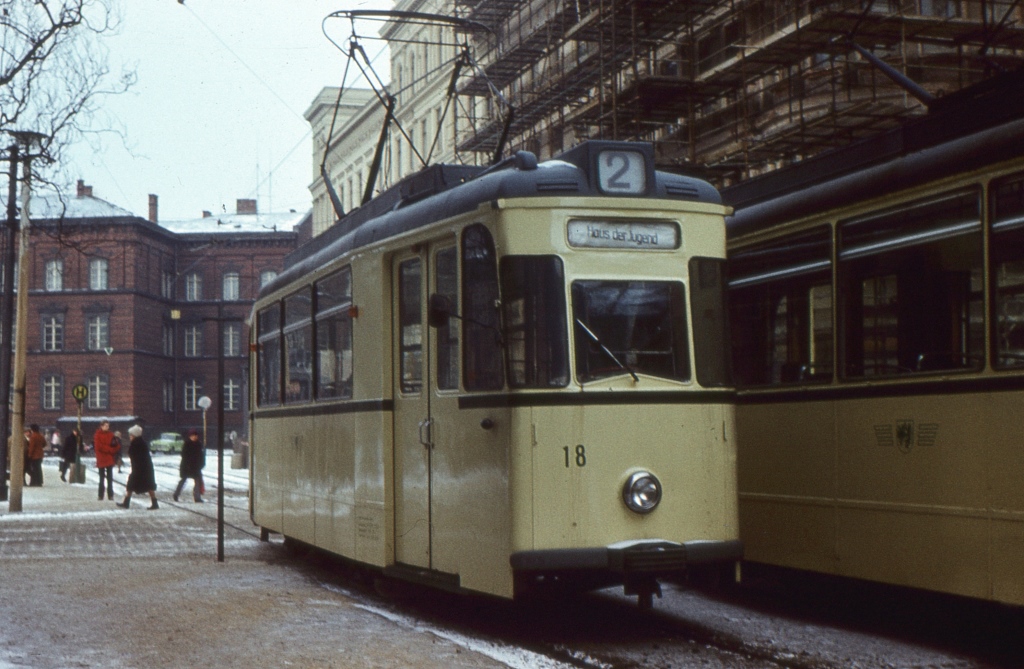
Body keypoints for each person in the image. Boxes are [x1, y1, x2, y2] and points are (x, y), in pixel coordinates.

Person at [117, 425, 158, 510]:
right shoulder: (139, 443)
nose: (130, 436)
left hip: (141, 469)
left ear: (135, 435)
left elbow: (138, 457)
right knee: (143, 485)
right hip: (143, 468)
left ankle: (127, 503)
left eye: (131, 435)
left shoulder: (137, 444)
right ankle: (127, 502)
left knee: (138, 485)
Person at [173, 429, 205, 503]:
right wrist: (188, 464)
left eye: (195, 436)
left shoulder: (199, 444)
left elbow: (201, 455)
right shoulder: (187, 444)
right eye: (193, 436)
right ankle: (176, 494)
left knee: (197, 481)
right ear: (190, 436)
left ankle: (197, 497)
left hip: (196, 466)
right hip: (186, 466)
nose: (194, 437)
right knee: (183, 480)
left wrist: (201, 464)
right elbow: (184, 455)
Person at [93, 421, 119, 500]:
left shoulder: (111, 434)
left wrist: (112, 450)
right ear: (101, 426)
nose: (107, 427)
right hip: (101, 458)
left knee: (110, 478)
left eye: (108, 426)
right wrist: (110, 450)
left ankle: (110, 495)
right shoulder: (97, 435)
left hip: (109, 458)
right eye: (105, 426)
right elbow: (98, 447)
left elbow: (116, 445)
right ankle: (100, 495)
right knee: (101, 478)